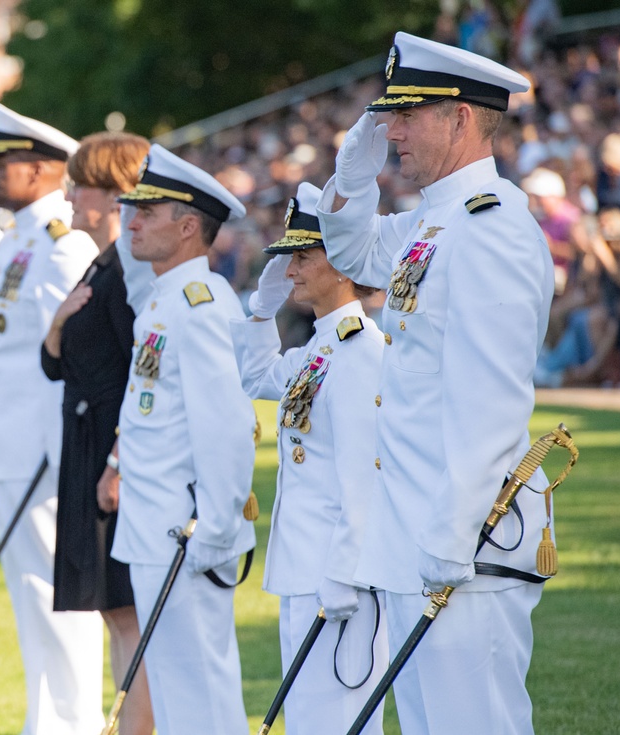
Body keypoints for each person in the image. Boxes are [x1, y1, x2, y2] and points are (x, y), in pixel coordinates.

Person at [316, 32, 555, 735]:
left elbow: (492, 400)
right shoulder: (435, 221)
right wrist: (353, 173)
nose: (391, 130)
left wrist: (451, 537)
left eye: (408, 114)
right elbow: (351, 251)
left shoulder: (492, 226)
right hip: (420, 534)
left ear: (458, 118)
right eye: (390, 115)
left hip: (466, 544)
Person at [0, 103, 104, 735]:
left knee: (56, 595)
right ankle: (49, 720)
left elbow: (82, 354)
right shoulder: (24, 242)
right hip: (14, 445)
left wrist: (67, 446)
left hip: (45, 448)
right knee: (30, 595)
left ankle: (73, 722)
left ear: (40, 171)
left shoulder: (63, 245)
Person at [110, 144, 256, 735]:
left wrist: (215, 534)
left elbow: (225, 430)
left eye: (149, 211)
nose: (132, 222)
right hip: (154, 527)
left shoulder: (197, 306)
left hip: (186, 532)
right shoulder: (165, 298)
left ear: (190, 226)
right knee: (174, 695)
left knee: (200, 696)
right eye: (131, 209)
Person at [232, 182, 387, 734]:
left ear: (342, 262)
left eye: (302, 256)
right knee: (307, 719)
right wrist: (260, 309)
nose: (291, 270)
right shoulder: (320, 347)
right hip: (304, 565)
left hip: (334, 571)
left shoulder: (358, 349)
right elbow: (253, 376)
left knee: (335, 720)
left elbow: (362, 472)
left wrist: (345, 570)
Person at [39, 132, 154, 735]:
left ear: (115, 195)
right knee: (114, 611)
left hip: (112, 450)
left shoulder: (130, 274)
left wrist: (119, 461)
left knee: (129, 612)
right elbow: (53, 361)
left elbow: (143, 372)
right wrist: (57, 323)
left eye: (82, 184)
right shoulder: (101, 264)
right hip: (88, 448)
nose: (71, 195)